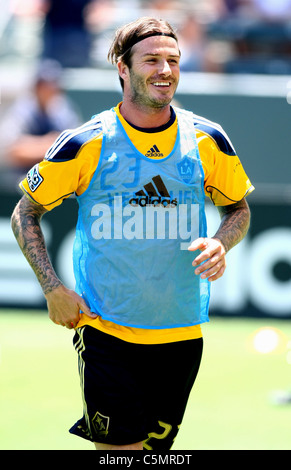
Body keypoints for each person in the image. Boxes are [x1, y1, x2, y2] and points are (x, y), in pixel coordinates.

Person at [11, 17, 254, 451]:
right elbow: (25, 213)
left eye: (173, 60)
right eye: (152, 60)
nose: (165, 70)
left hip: (182, 333)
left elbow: (238, 207)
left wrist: (222, 241)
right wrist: (53, 289)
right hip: (108, 331)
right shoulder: (85, 143)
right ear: (122, 67)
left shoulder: (208, 139)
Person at [0, 59, 81, 188]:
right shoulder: (23, 109)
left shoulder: (62, 108)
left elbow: (77, 148)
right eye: (44, 84)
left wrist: (37, 145)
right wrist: (51, 144)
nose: (50, 89)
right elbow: (14, 151)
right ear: (36, 86)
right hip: (22, 182)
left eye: (53, 84)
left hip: (55, 181)